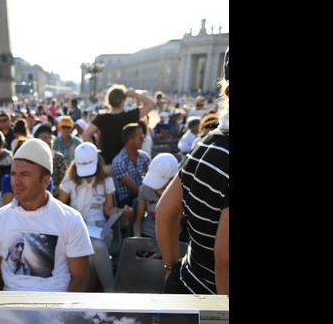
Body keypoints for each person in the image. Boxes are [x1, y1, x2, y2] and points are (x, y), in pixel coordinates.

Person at [157, 47, 229, 295]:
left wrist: (170, 267)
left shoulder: (207, 141)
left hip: (185, 285)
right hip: (213, 309)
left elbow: (164, 211)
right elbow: (225, 262)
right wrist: (222, 321)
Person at [0, 139, 94, 292]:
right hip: (10, 309)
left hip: (55, 309)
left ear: (45, 181)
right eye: (13, 174)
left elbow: (80, 278)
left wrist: (63, 315)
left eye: (25, 174)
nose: (16, 182)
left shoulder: (70, 219)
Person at [57, 143, 133, 292]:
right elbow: (60, 206)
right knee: (91, 252)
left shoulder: (106, 181)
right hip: (76, 226)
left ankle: (108, 290)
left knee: (96, 246)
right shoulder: (69, 180)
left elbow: (108, 210)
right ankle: (107, 290)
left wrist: (122, 211)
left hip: (99, 228)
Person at [81, 85, 156, 165]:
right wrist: (134, 94)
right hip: (126, 164)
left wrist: (94, 154)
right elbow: (151, 104)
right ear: (123, 100)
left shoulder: (101, 118)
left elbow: (86, 135)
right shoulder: (129, 116)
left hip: (106, 162)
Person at [133, 153, 179, 243]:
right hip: (147, 236)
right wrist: (138, 242)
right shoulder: (144, 189)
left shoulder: (179, 192)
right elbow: (137, 222)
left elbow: (177, 225)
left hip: (172, 239)